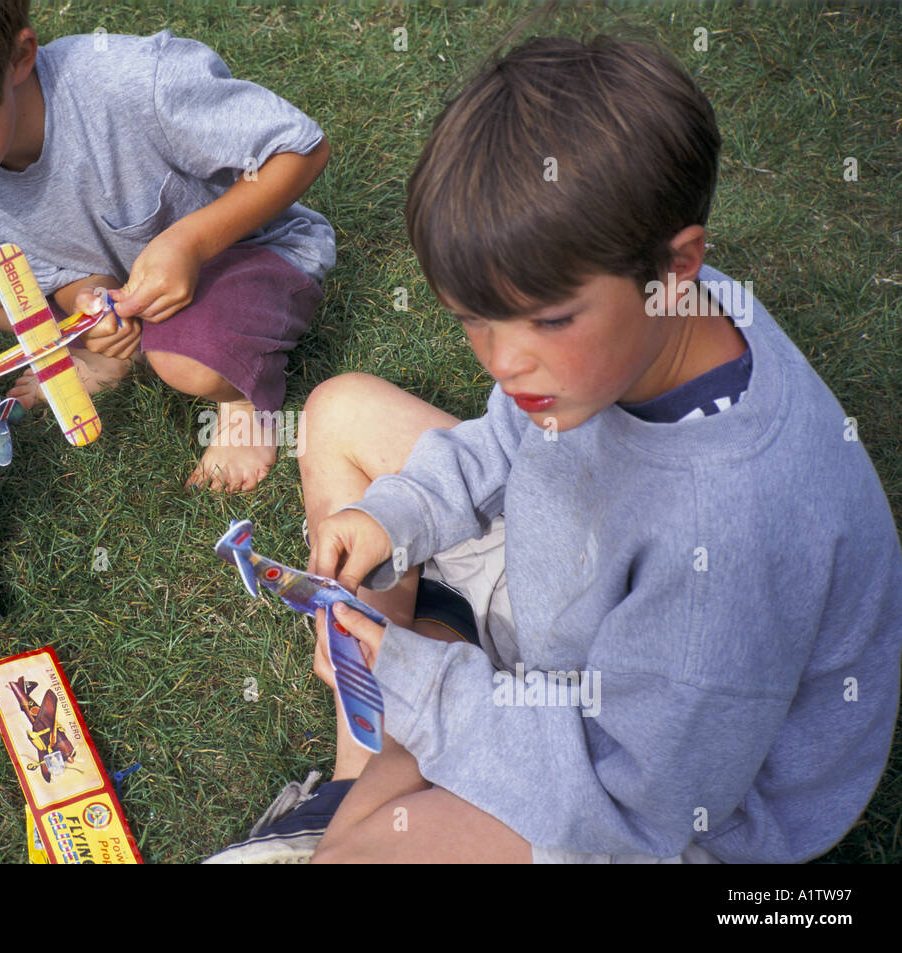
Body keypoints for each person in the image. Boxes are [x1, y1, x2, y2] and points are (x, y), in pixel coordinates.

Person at [208, 35, 902, 863]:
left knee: (359, 850)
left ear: (676, 266)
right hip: (571, 596)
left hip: (658, 795)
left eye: (547, 319)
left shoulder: (727, 537)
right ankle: (374, 759)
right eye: (474, 318)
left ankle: (376, 774)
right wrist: (392, 519)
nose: (503, 362)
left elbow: (641, 799)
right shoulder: (637, 330)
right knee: (340, 414)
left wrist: (418, 686)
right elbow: (508, 431)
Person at [0, 0, 335, 492]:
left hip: (248, 252)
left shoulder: (132, 83)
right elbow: (62, 264)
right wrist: (90, 303)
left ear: (18, 58)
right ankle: (104, 355)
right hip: (135, 286)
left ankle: (240, 399)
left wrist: (191, 243)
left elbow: (301, 148)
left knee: (186, 365)